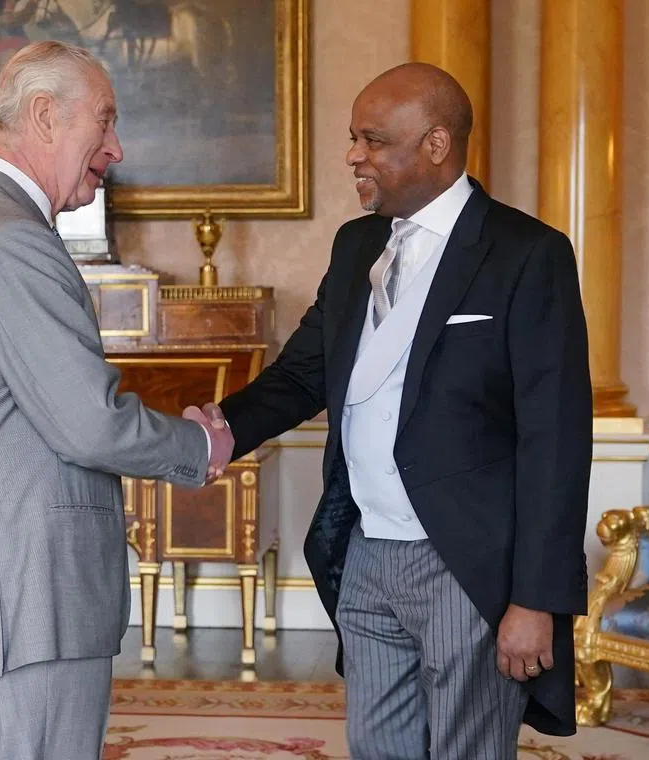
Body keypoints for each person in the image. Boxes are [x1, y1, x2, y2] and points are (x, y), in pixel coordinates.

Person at [206, 62, 592, 758]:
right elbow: (302, 375)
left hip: (466, 566)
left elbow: (555, 440)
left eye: (374, 139)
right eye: (355, 138)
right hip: (364, 554)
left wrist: (536, 600)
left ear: (436, 145)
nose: (354, 155)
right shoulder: (356, 244)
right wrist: (216, 432)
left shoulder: (527, 254)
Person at [0, 40, 234, 759]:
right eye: (103, 121)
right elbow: (88, 424)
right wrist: (199, 446)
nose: (116, 145)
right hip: (28, 600)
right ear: (45, 117)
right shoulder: (10, 241)